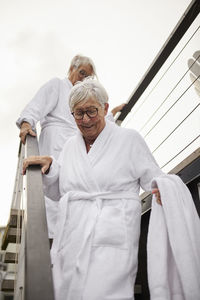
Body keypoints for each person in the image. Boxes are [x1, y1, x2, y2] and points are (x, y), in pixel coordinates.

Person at [23, 79, 200, 300]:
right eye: (78, 114)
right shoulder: (70, 147)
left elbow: (154, 177)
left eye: (91, 111)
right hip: (72, 239)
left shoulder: (129, 139)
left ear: (105, 108)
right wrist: (51, 169)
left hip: (113, 235)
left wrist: (162, 188)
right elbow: (64, 191)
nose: (85, 120)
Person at [16, 55, 125, 238]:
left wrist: (111, 112)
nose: (83, 79)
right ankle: (50, 240)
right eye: (82, 73)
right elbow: (37, 105)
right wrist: (27, 123)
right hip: (54, 143)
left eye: (88, 77)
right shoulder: (57, 85)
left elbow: (100, 119)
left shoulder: (85, 97)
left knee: (74, 190)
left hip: (77, 149)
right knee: (52, 193)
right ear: (71, 69)